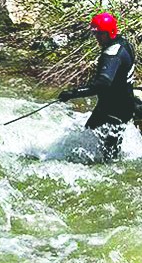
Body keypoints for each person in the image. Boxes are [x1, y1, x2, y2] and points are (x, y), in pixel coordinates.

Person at [58, 12, 137, 160]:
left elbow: (103, 83)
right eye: (96, 34)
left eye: (101, 34)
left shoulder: (112, 54)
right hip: (114, 106)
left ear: (110, 32)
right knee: (87, 137)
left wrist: (73, 93)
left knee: (109, 156)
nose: (97, 38)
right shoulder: (123, 44)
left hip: (116, 110)